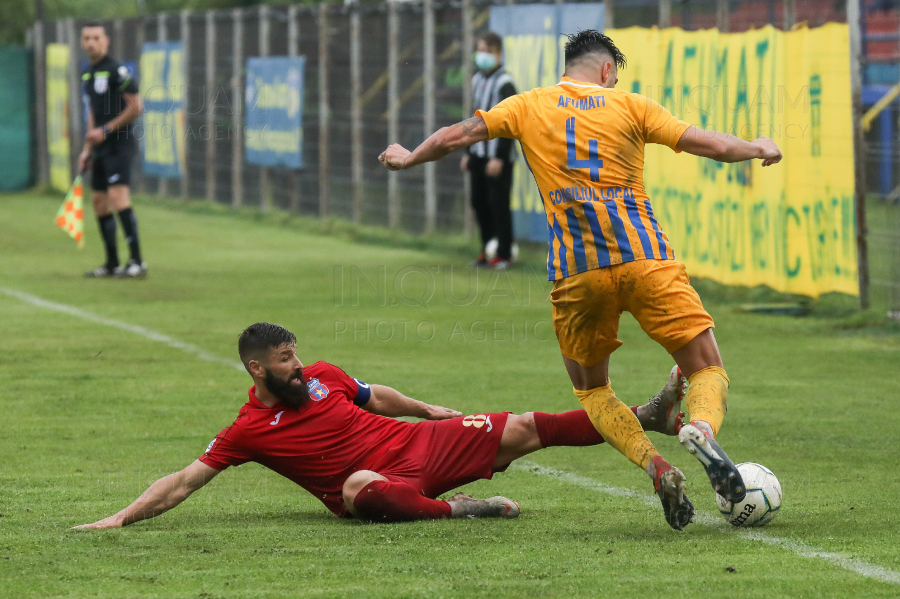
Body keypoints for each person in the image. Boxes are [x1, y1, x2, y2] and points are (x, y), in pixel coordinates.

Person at [378, 30, 783, 531]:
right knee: (705, 370)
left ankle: (655, 465)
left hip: (578, 273)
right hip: (647, 260)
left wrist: (409, 155)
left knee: (593, 392)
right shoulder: (632, 105)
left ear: (568, 67)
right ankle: (699, 429)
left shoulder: (527, 105)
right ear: (608, 71)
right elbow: (708, 143)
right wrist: (754, 146)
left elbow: (455, 135)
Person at [74, 322, 685, 529]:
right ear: (257, 369)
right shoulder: (248, 430)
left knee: (528, 425)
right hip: (376, 479)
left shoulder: (323, 376)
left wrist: (426, 410)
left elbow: (374, 395)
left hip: (419, 442)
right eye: (285, 359)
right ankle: (469, 511)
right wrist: (123, 516)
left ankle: (645, 418)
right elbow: (183, 482)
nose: (299, 364)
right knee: (354, 490)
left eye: (297, 354)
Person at [78, 23, 146, 279]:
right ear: (82, 42)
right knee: (99, 202)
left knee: (119, 198)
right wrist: (87, 149)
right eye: (86, 38)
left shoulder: (117, 70)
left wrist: (106, 131)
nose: (91, 42)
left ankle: (137, 262)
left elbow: (136, 106)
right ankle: (111, 263)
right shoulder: (88, 72)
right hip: (100, 147)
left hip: (119, 144)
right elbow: (93, 113)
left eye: (96, 37)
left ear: (106, 41)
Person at [460, 31, 517, 269]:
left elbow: (510, 123)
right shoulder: (477, 80)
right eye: (479, 50)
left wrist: (500, 157)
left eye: (486, 51)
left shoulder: (506, 83)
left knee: (499, 204)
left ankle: (503, 254)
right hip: (478, 154)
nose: (481, 55)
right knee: (478, 201)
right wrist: (467, 152)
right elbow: (473, 120)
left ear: (498, 54)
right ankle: (486, 250)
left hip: (497, 157)